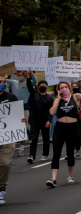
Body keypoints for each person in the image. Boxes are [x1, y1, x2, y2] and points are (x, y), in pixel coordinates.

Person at [46, 80, 81, 188]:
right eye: (61, 88)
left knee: (70, 151)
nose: (63, 89)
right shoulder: (57, 100)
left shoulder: (75, 97)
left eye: (65, 87)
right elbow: (52, 112)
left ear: (69, 88)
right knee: (56, 152)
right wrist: (58, 99)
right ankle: (53, 178)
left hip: (72, 128)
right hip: (60, 128)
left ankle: (70, 174)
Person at [0, 74, 24, 204]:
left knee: (4, 163)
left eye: (4, 81)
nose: (2, 83)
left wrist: (22, 119)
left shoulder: (11, 97)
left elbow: (17, 115)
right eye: (0, 81)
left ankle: (1, 188)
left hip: (7, 137)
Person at [26, 75, 53, 164]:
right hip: (34, 121)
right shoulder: (34, 95)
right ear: (38, 87)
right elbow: (29, 87)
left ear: (47, 87)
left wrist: (49, 121)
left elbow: (51, 111)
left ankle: (45, 154)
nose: (42, 87)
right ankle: (32, 156)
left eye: (44, 86)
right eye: (40, 85)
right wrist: (28, 77)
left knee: (46, 139)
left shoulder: (50, 98)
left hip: (45, 121)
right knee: (34, 138)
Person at [11, 70, 36, 157]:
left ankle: (21, 148)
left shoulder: (28, 83)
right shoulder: (14, 82)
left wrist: (32, 73)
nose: (19, 76)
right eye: (18, 75)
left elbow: (35, 81)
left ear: (24, 75)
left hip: (24, 106)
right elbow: (4, 80)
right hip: (14, 106)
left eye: (20, 75)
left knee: (23, 126)